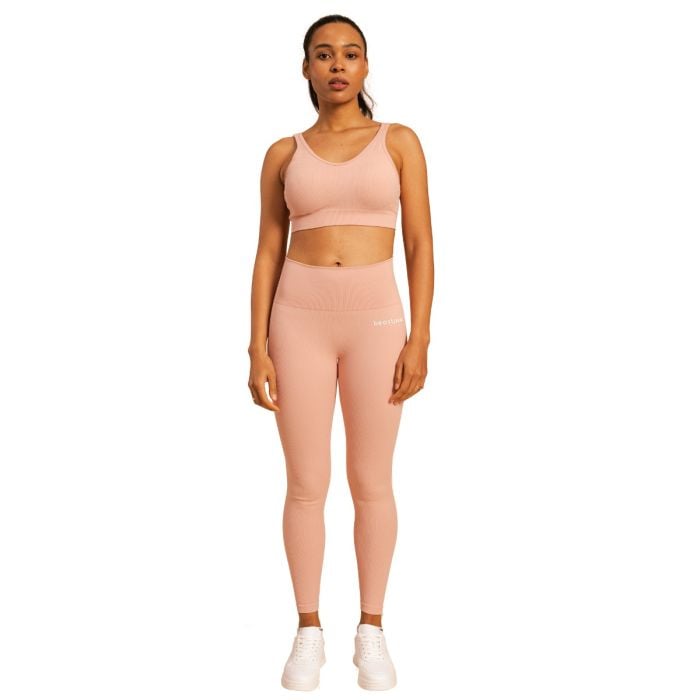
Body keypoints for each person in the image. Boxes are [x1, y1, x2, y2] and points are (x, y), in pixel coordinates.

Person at [248, 13, 434, 691]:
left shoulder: (399, 142)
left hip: (377, 322)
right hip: (297, 321)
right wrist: (256, 346)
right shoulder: (283, 153)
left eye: (350, 54)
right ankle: (307, 630)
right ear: (306, 68)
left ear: (365, 66)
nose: (337, 65)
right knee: (305, 483)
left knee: (371, 480)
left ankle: (371, 629)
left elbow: (419, 242)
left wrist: (420, 337)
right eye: (323, 55)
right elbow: (268, 250)